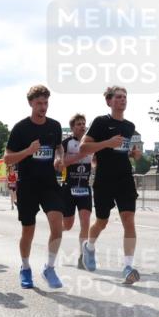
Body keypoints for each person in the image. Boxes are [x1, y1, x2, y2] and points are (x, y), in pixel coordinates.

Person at [78, 87, 144, 283]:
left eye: (125, 97)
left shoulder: (129, 126)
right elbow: (83, 147)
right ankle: (89, 247)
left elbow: (121, 150)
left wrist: (132, 154)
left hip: (124, 177)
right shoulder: (100, 122)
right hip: (104, 179)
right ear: (109, 101)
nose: (122, 100)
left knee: (129, 219)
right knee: (102, 221)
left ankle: (128, 266)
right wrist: (106, 143)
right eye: (118, 97)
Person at [3, 84, 65, 289]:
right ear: (30, 103)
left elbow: (59, 147)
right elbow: (7, 158)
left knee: (58, 226)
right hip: (28, 184)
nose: (43, 107)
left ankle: (49, 267)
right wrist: (28, 151)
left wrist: (59, 158)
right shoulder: (21, 128)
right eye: (39, 103)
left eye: (46, 103)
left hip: (49, 183)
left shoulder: (55, 126)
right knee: (28, 230)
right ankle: (26, 267)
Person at [60, 113, 94, 269]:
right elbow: (60, 164)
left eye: (84, 123)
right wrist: (80, 154)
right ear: (73, 127)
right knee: (68, 225)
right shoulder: (66, 143)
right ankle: (56, 231)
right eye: (79, 124)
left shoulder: (90, 143)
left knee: (85, 222)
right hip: (69, 187)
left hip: (84, 187)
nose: (82, 126)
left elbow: (96, 161)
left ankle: (82, 257)